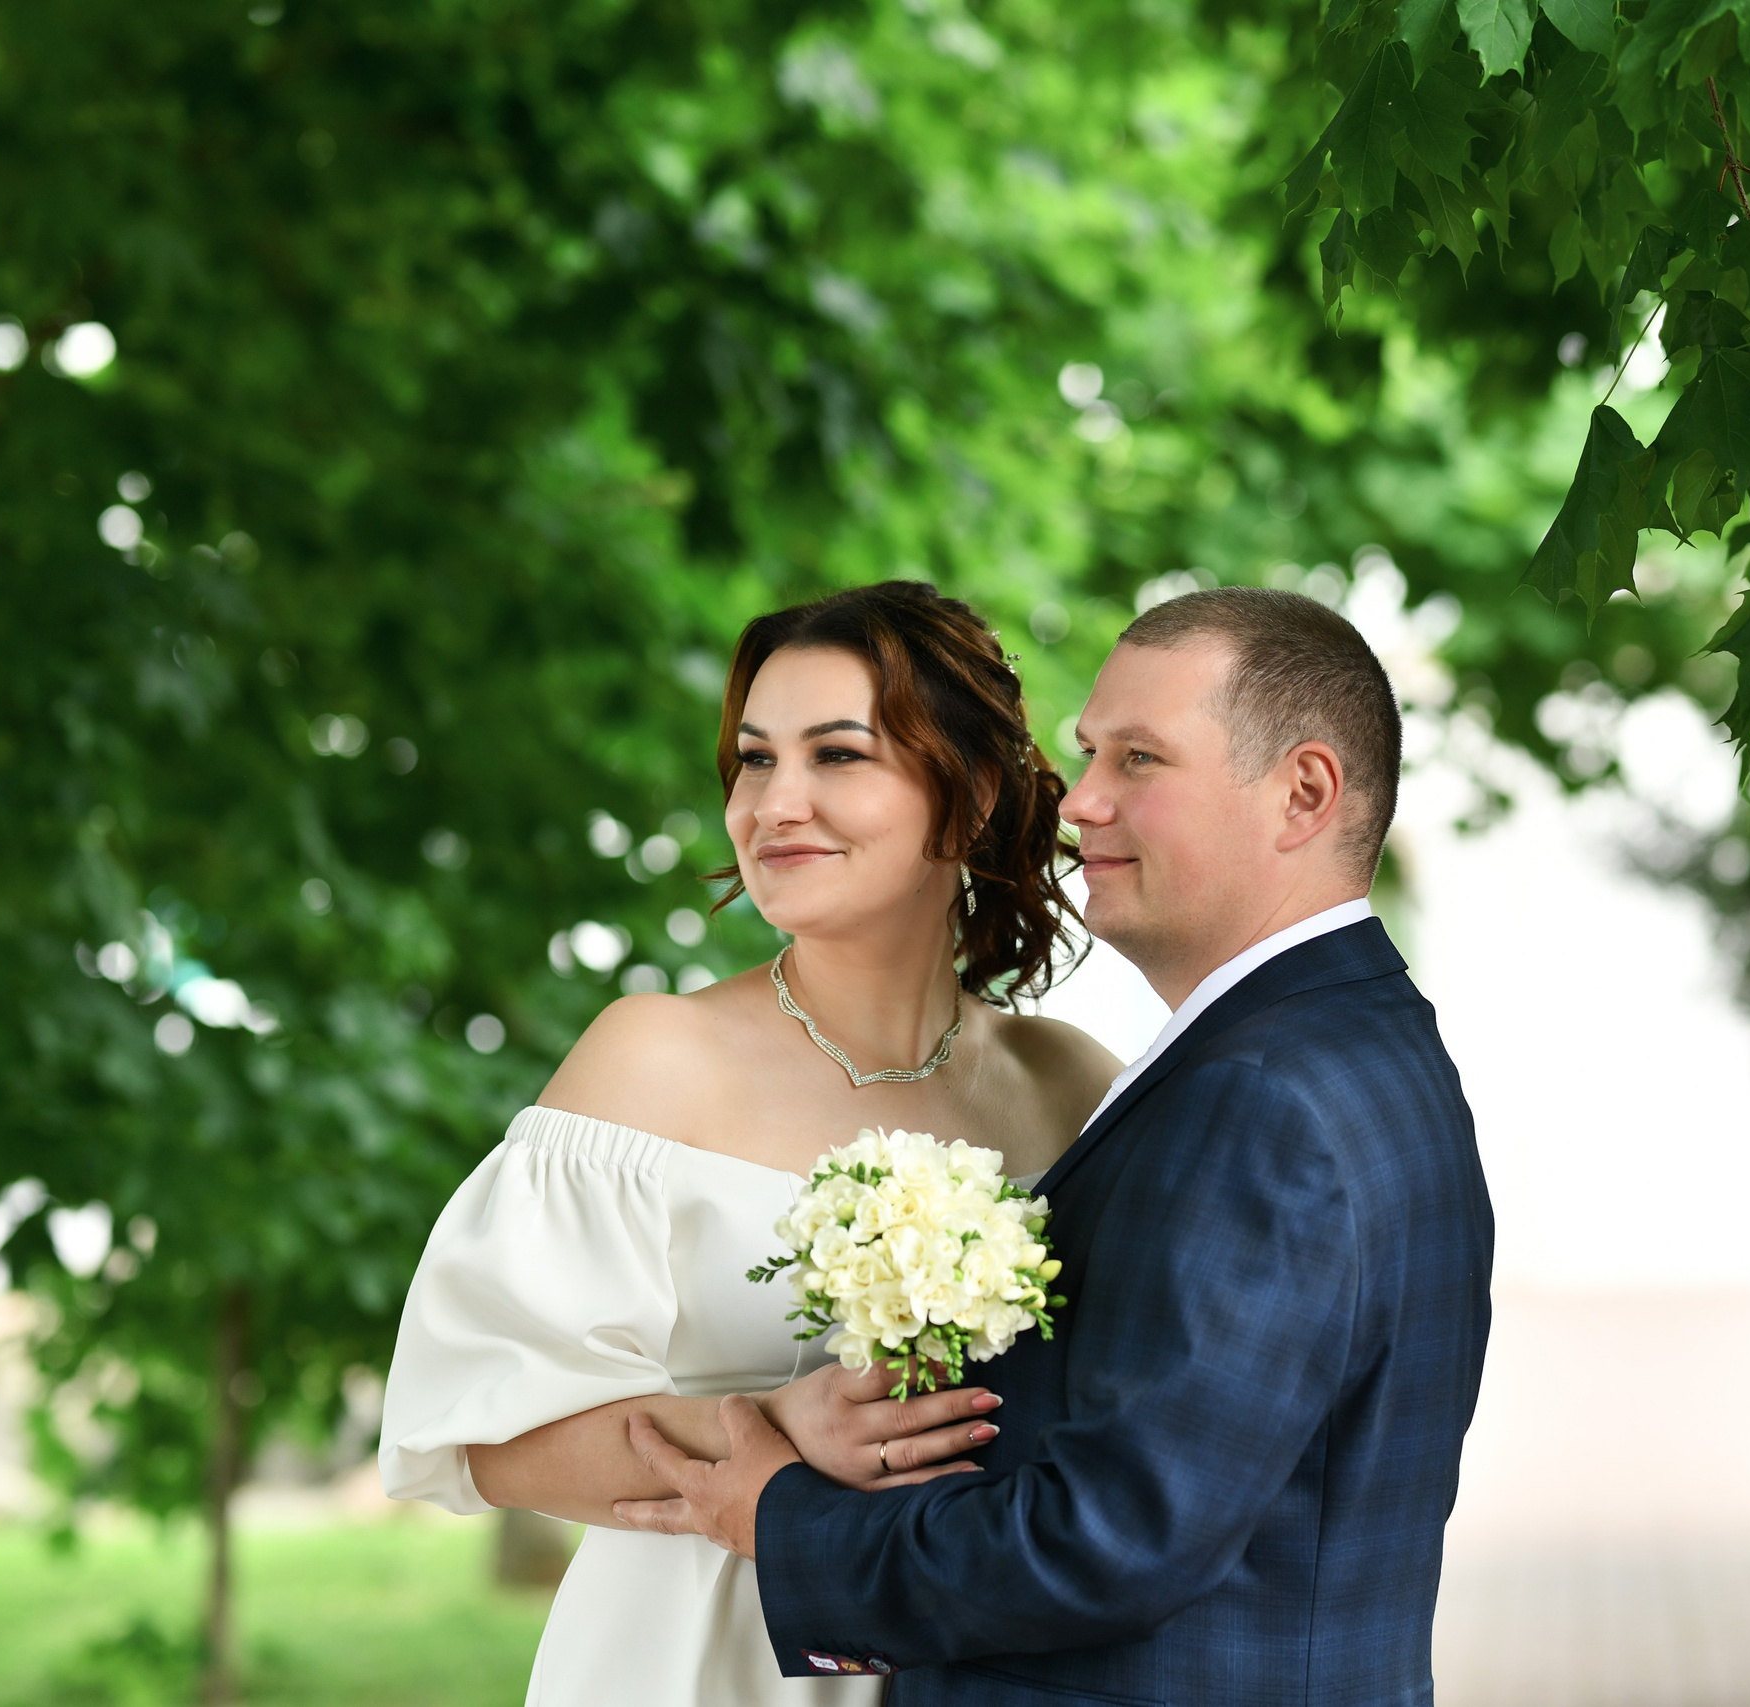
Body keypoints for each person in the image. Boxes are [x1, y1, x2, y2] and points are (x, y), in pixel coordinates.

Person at [617, 586, 1495, 1705]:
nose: (1079, 801)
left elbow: (1111, 1539)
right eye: (1087, 754)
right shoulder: (1357, 1041)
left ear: (1302, 793)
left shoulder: (1261, 1097)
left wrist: (781, 1518)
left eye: (1138, 760)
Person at [378, 581, 1123, 1704]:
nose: (773, 803)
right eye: (753, 759)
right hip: (693, 1661)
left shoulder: (1071, 1086)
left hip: (982, 1661)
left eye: (836, 756)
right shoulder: (653, 1058)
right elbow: (480, 1434)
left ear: (966, 793)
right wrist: (767, 1428)